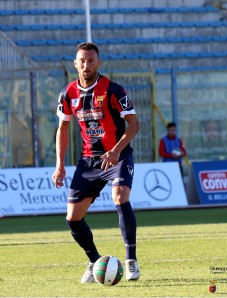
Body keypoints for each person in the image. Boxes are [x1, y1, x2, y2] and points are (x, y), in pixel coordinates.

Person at [52, 42, 140, 283]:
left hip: (117, 155)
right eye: (82, 60)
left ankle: (131, 261)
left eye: (91, 61)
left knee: (120, 197)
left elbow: (134, 124)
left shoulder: (113, 90)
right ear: (75, 63)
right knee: (72, 217)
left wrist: (115, 151)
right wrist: (60, 165)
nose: (86, 65)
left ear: (98, 63)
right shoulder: (67, 94)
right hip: (89, 160)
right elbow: (63, 128)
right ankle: (93, 261)